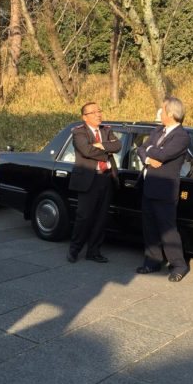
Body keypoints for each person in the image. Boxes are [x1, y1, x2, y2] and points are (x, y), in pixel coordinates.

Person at [136, 97, 190, 282]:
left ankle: (178, 265)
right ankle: (152, 261)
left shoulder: (181, 136)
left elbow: (164, 154)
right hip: (149, 185)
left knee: (168, 229)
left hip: (165, 190)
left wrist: (151, 151)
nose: (159, 113)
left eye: (162, 110)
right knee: (149, 227)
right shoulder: (158, 130)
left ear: (171, 114)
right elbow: (141, 149)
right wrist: (148, 158)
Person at [67, 102, 121, 264]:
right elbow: (86, 150)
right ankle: (74, 250)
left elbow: (118, 145)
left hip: (106, 178)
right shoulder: (79, 133)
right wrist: (106, 150)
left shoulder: (106, 130)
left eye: (100, 110)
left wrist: (101, 145)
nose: (98, 114)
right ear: (85, 117)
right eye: (94, 112)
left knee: (101, 217)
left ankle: (94, 251)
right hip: (88, 179)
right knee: (84, 217)